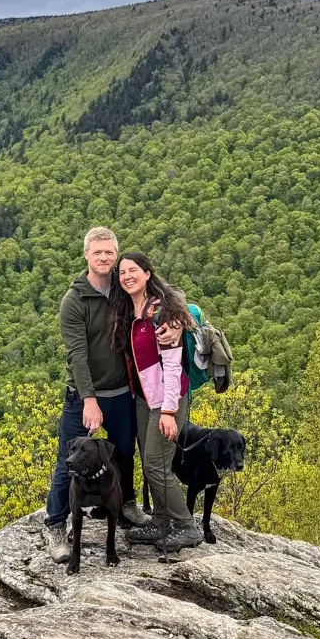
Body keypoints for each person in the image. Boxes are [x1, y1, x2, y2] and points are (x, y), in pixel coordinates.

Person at [43, 227, 156, 564]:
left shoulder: (123, 289)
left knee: (122, 454)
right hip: (84, 396)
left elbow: (162, 293)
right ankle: (54, 524)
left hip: (122, 391)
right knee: (71, 461)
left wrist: (179, 321)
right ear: (86, 256)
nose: (105, 258)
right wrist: (89, 400)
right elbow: (76, 355)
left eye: (110, 253)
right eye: (98, 253)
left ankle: (125, 506)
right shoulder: (74, 301)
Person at [113, 251, 204, 552]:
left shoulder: (161, 313)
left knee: (155, 465)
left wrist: (168, 410)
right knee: (152, 460)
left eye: (133, 271)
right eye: (122, 272)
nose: (127, 276)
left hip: (167, 399)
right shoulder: (131, 308)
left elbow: (174, 365)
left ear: (148, 274)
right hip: (143, 398)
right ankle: (161, 521)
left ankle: (186, 526)